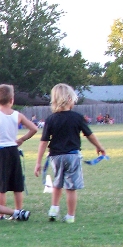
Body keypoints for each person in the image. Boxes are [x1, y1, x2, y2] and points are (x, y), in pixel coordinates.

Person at [34, 83, 107, 223]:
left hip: (55, 156)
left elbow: (43, 141)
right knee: (71, 188)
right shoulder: (77, 117)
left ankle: (54, 209)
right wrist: (99, 147)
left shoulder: (50, 119)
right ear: (69, 99)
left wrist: (38, 162)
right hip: (72, 156)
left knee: (57, 183)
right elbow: (89, 135)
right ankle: (70, 216)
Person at [0, 84, 39, 217]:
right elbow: (34, 129)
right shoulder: (17, 115)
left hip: (0, 152)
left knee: (1, 186)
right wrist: (22, 139)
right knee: (17, 184)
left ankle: (1, 214)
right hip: (13, 151)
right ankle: (18, 211)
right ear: (12, 100)